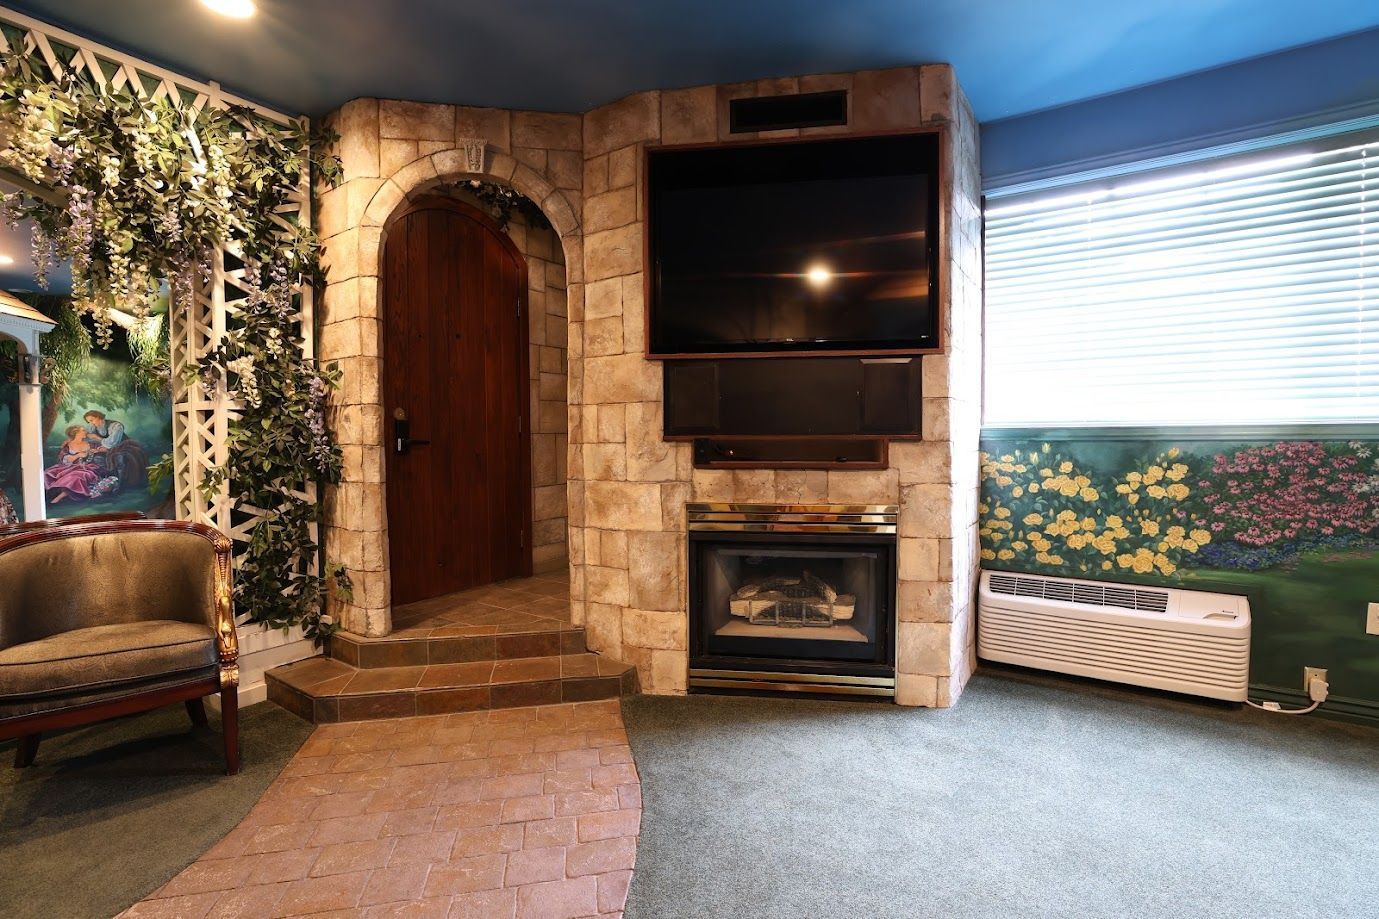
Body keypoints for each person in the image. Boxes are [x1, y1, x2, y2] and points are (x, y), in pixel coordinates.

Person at [84, 409, 148, 489]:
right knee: (97, 458)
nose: (91, 423)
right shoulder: (93, 427)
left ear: (98, 417)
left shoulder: (115, 426)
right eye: (89, 422)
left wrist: (97, 438)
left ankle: (120, 484)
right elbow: (84, 436)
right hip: (107, 449)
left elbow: (113, 442)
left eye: (92, 420)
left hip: (124, 447)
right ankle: (109, 482)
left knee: (118, 457)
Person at [43, 424, 103, 504]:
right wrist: (78, 455)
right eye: (83, 430)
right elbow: (63, 458)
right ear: (76, 433)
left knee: (75, 476)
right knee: (47, 473)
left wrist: (97, 445)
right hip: (68, 467)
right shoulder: (67, 445)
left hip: (87, 468)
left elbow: (107, 447)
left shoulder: (91, 444)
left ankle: (58, 499)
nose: (86, 432)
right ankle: (45, 495)